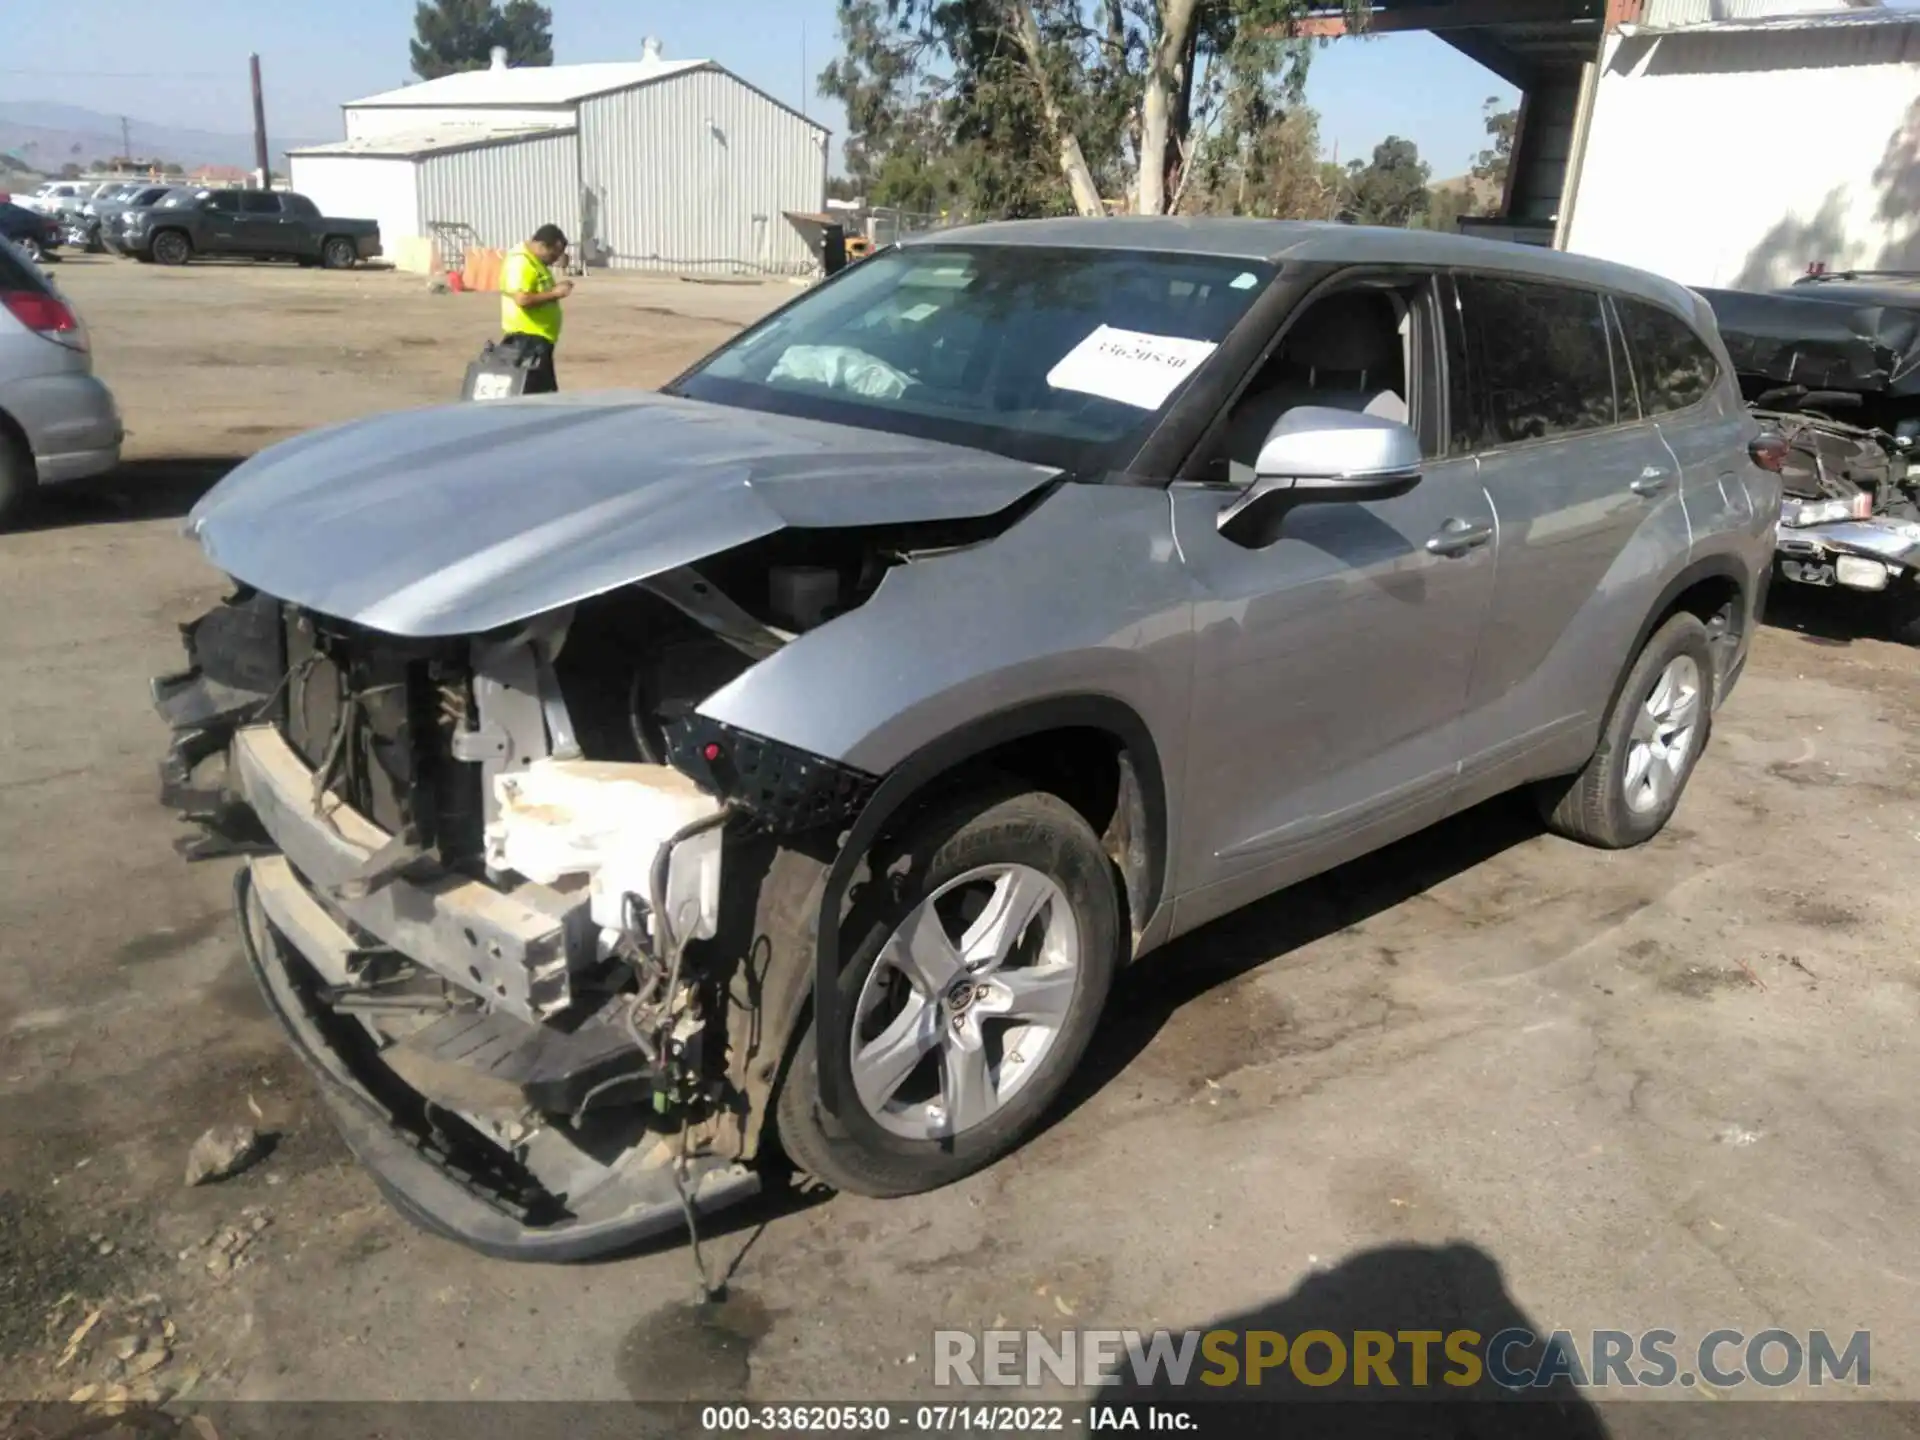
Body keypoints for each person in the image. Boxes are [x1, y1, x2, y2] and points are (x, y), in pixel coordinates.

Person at [499, 224, 573, 394]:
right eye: (554, 253)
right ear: (541, 245)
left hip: (538, 342)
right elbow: (522, 299)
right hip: (526, 342)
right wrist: (555, 294)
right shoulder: (521, 262)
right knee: (535, 396)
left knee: (543, 395)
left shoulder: (535, 262)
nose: (555, 259)